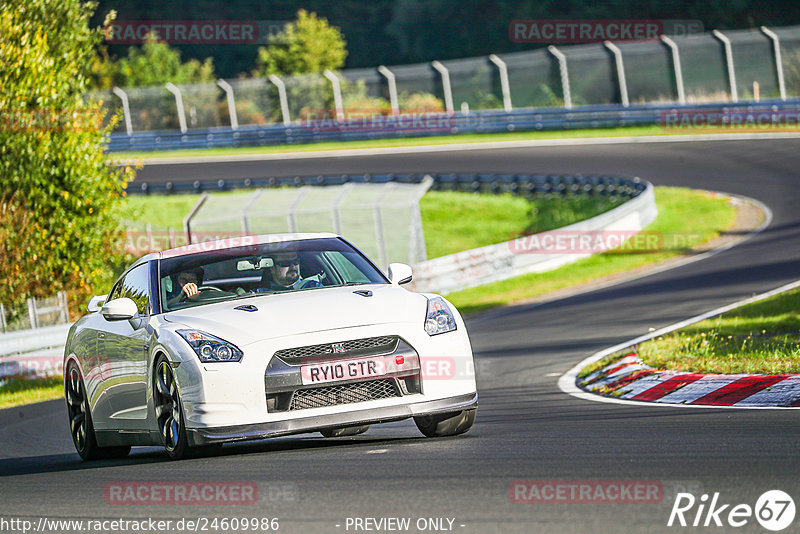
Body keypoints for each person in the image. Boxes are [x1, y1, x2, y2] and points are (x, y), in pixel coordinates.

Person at [256, 252, 322, 292]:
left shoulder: (314, 287)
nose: (293, 267)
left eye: (296, 262)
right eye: (285, 263)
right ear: (273, 268)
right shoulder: (259, 293)